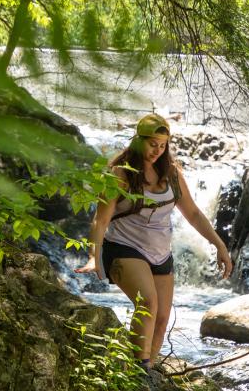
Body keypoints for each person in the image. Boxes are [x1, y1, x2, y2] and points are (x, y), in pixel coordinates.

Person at [75, 112, 233, 370]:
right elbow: (100, 220)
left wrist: (219, 244)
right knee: (147, 304)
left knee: (161, 319)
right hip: (123, 247)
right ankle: (138, 370)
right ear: (138, 141)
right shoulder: (120, 174)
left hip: (160, 253)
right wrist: (94, 255)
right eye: (152, 144)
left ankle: (145, 370)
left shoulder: (171, 173)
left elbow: (192, 213)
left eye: (162, 146)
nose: (157, 151)